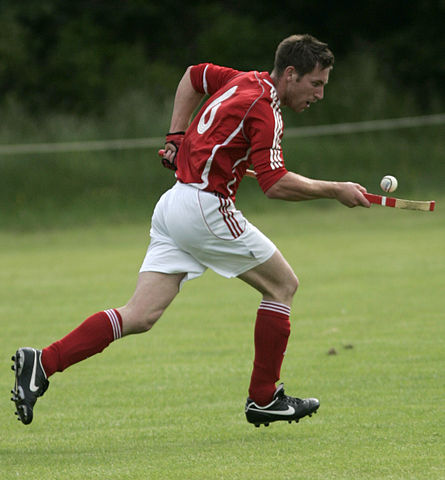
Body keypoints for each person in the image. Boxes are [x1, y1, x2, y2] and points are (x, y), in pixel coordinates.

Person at [11, 34, 370, 428]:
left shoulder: (242, 80)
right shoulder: (265, 109)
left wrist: (175, 136)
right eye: (315, 84)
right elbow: (275, 183)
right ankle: (263, 398)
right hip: (204, 207)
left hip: (175, 205)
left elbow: (194, 75)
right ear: (290, 74)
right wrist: (334, 190)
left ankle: (42, 362)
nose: (319, 94)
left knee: (140, 315)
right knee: (283, 285)